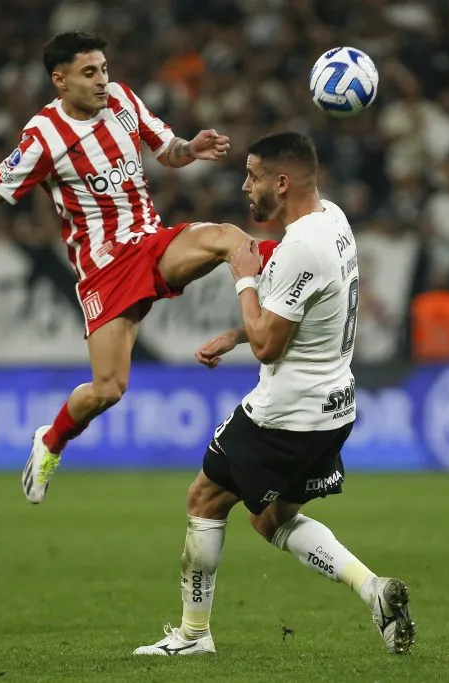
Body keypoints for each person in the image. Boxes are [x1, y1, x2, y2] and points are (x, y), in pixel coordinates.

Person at [0, 31, 257, 504]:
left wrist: (190, 149)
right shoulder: (43, 137)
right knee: (108, 389)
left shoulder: (124, 99)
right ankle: (51, 440)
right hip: (104, 271)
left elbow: (165, 149)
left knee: (230, 239)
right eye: (90, 73)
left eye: (104, 69)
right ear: (60, 80)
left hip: (151, 243)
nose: (103, 81)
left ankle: (264, 328)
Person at [132, 132, 415, 657]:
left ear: (281, 183)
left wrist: (242, 282)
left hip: (284, 414)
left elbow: (267, 345)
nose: (245, 187)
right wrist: (235, 334)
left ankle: (194, 635)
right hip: (334, 407)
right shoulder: (333, 220)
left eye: (253, 176)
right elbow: (298, 317)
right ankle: (373, 590)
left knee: (204, 499)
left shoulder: (300, 247)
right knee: (270, 519)